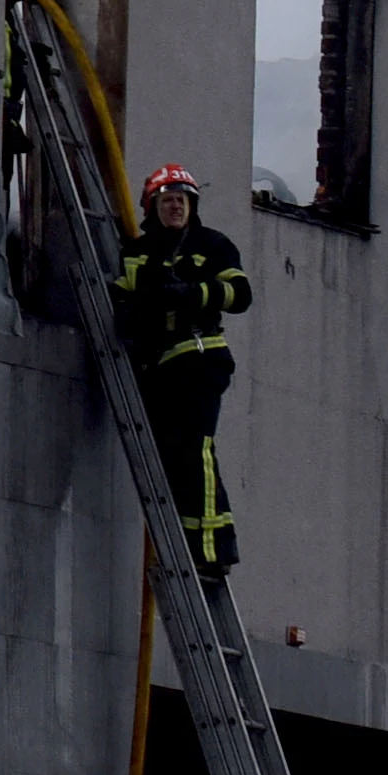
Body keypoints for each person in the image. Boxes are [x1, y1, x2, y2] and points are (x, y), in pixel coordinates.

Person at [113, 163, 252, 574]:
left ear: (193, 206)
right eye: (168, 200)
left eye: (182, 201)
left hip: (200, 356)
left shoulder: (212, 245)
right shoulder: (137, 252)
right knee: (174, 455)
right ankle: (194, 537)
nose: (176, 207)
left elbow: (240, 294)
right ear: (152, 206)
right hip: (160, 368)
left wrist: (193, 293)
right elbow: (122, 296)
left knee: (196, 447)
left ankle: (211, 551)